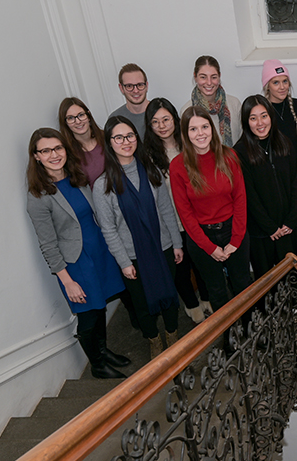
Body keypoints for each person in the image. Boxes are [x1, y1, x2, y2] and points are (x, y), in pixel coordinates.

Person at [26, 128, 128, 379]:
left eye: (58, 148)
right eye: (46, 150)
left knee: (100, 306)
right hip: (76, 263)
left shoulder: (76, 177)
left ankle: (103, 352)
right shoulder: (38, 196)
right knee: (88, 315)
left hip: (99, 252)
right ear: (36, 156)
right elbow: (48, 244)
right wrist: (67, 280)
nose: (54, 154)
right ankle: (97, 364)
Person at [93, 116, 183, 360]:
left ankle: (173, 337)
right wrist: (123, 262)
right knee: (142, 305)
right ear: (109, 143)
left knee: (169, 296)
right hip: (132, 257)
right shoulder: (103, 185)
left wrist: (177, 242)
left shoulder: (151, 170)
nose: (126, 141)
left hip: (163, 247)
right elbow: (108, 229)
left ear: (137, 138)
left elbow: (166, 209)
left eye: (130, 135)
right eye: (118, 137)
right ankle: (154, 341)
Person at [170, 106, 252, 331]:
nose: (200, 133)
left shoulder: (229, 156)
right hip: (201, 238)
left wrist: (235, 240)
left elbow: (240, 199)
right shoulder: (178, 166)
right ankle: (230, 334)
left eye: (204, 126)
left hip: (233, 230)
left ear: (212, 128)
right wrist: (209, 247)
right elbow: (184, 213)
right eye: (193, 129)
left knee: (243, 285)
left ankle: (251, 329)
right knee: (216, 291)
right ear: (185, 134)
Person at [142, 97, 210, 323]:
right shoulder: (147, 156)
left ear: (175, 119)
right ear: (149, 126)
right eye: (155, 122)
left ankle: (208, 300)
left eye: (166, 119)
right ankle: (192, 306)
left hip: (196, 216)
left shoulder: (190, 144)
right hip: (170, 221)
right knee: (181, 267)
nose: (162, 126)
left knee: (201, 264)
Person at [234, 95, 297, 278]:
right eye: (253, 118)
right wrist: (270, 227)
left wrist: (291, 220)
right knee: (265, 281)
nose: (260, 123)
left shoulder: (286, 143)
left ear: (271, 116)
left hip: (288, 227)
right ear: (246, 122)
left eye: (264, 116)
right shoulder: (239, 151)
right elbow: (249, 195)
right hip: (261, 232)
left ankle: (291, 307)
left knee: (290, 276)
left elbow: (296, 184)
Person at [182, 55, 242, 147]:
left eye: (213, 77)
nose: (209, 82)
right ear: (195, 77)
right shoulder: (187, 110)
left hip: (233, 159)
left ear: (219, 76)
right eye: (203, 77)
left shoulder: (234, 104)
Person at [58, 97, 107, 186]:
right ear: (65, 123)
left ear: (88, 116)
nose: (78, 121)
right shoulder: (68, 153)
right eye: (71, 118)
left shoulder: (107, 137)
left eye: (81, 115)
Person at [262, 59, 297, 150]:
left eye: (285, 81)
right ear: (267, 87)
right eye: (276, 82)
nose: (282, 87)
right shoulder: (262, 111)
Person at [109, 63, 150, 139]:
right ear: (121, 88)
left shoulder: (161, 113)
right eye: (129, 86)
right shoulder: (115, 118)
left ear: (146, 86)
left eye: (140, 85)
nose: (135, 90)